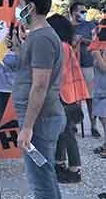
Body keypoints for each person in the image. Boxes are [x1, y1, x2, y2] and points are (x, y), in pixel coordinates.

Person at [10, 0, 65, 199]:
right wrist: (17, 48)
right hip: (40, 117)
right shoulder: (38, 37)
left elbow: (40, 85)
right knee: (45, 175)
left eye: (20, 4)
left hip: (39, 119)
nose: (17, 10)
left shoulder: (42, 38)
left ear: (30, 7)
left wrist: (27, 127)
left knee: (40, 181)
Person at [47, 14, 85, 184]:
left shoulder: (60, 46)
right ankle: (60, 164)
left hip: (62, 95)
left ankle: (74, 169)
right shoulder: (66, 45)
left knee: (67, 133)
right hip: (69, 94)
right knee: (63, 133)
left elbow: (59, 74)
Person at [69, 1, 99, 137]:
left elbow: (96, 42)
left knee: (90, 97)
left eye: (84, 11)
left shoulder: (90, 25)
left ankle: (93, 126)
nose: (84, 13)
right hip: (71, 66)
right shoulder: (67, 27)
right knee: (74, 97)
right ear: (73, 12)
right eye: (81, 11)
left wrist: (84, 40)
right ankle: (73, 124)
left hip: (88, 65)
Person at [91, 17, 106, 158]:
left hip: (104, 89)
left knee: (104, 117)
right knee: (102, 117)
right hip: (100, 87)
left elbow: (104, 68)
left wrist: (96, 53)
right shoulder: (100, 46)